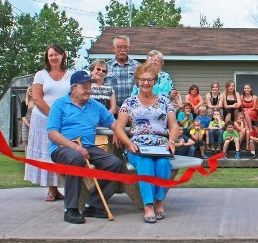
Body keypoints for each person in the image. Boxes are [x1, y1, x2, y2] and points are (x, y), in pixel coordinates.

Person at [48, 71, 125, 224]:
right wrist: (74, 147)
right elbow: (52, 133)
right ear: (73, 88)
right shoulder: (60, 104)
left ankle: (94, 204)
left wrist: (118, 131)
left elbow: (113, 122)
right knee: (76, 158)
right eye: (84, 86)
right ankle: (70, 209)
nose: (88, 90)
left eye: (89, 86)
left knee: (115, 163)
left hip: (88, 147)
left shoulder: (95, 106)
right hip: (62, 148)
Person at [114, 64, 182, 224]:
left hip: (161, 145)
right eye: (142, 79)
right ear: (137, 81)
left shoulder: (165, 102)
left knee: (163, 164)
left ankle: (159, 201)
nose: (146, 83)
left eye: (149, 80)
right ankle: (148, 205)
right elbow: (119, 126)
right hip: (137, 146)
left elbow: (173, 125)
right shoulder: (129, 102)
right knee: (146, 163)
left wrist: (171, 141)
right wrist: (128, 143)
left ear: (155, 82)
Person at [25, 44, 71, 202]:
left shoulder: (70, 75)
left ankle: (63, 187)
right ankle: (52, 189)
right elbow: (37, 98)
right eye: (50, 55)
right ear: (47, 57)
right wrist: (53, 115)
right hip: (43, 118)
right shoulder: (41, 74)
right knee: (46, 153)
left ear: (63, 55)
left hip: (64, 120)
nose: (54, 57)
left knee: (61, 150)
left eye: (57, 54)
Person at [106, 36, 140, 100]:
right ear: (113, 48)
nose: (122, 50)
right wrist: (114, 108)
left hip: (134, 108)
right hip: (112, 108)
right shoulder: (106, 67)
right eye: (119, 47)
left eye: (125, 47)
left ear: (128, 48)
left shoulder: (138, 66)